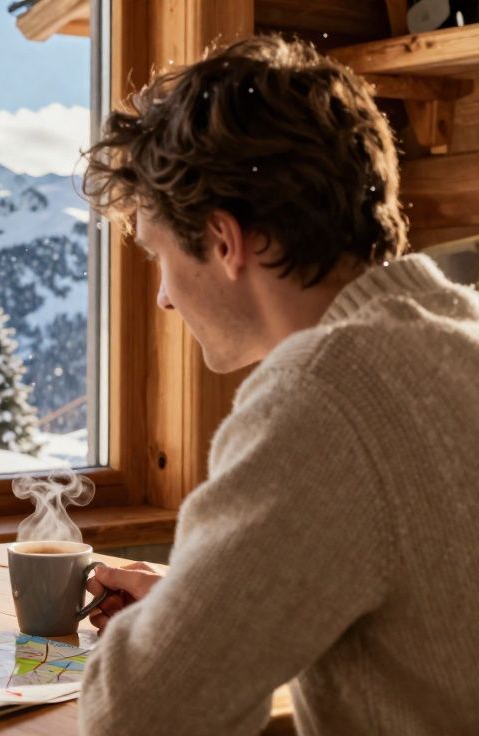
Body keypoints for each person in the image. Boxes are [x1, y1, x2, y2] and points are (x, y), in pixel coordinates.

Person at [77, 35, 479, 734]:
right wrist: (193, 604)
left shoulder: (326, 395)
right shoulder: (455, 338)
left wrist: (144, 651)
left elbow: (137, 716)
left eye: (158, 256)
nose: (165, 298)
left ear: (226, 240)